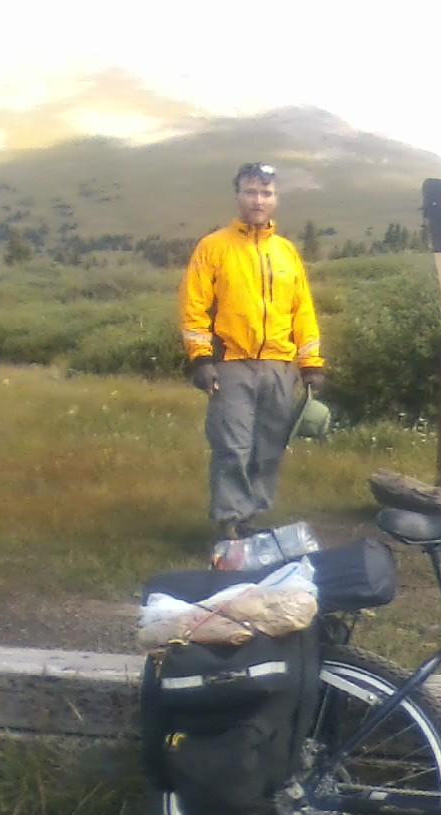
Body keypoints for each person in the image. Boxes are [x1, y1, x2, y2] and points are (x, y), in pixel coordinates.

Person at [179, 162, 325, 541]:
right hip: (231, 364)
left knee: (269, 447)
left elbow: (302, 309)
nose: (258, 200)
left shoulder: (286, 253)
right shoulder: (214, 247)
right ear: (238, 196)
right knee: (232, 446)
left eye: (266, 193)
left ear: (275, 199)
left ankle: (253, 521)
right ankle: (230, 524)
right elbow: (194, 307)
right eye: (250, 191)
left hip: (280, 366)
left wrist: (311, 364)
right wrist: (200, 358)